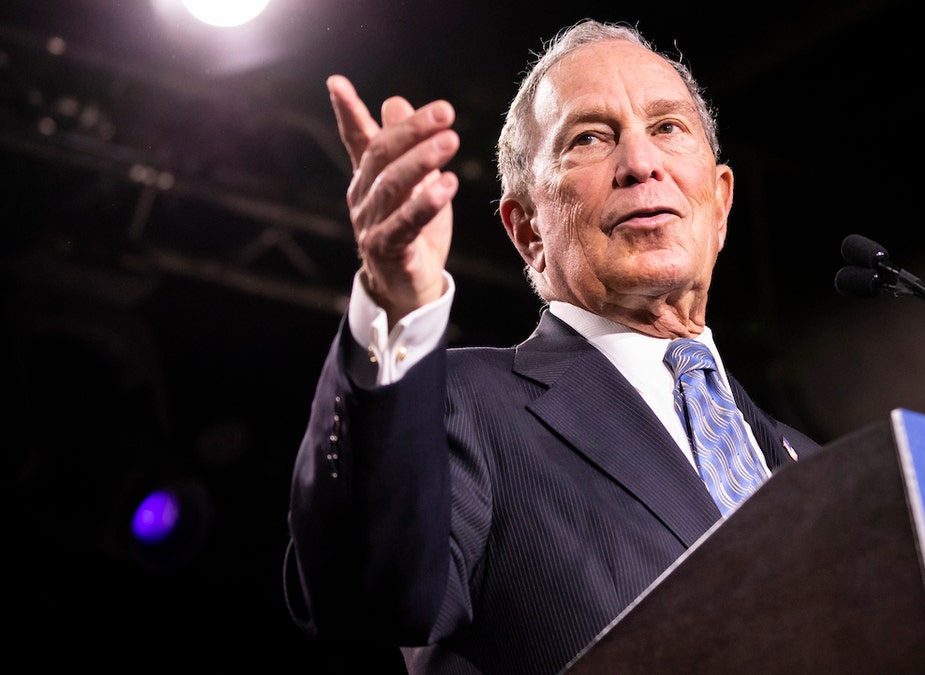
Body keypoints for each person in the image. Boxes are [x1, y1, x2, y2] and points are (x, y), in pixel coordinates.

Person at [283, 18, 823, 675]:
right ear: (528, 230)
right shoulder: (467, 406)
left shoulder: (816, 464)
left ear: (721, 204)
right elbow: (368, 596)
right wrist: (395, 305)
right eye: (590, 137)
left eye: (668, 127)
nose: (641, 163)